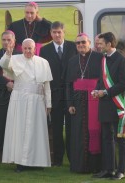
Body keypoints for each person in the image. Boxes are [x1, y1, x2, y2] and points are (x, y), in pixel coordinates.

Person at [0, 38, 53, 172]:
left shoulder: (43, 62)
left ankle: (37, 162)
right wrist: (8, 53)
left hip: (37, 101)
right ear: (22, 48)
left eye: (30, 48)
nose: (28, 51)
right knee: (20, 131)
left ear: (35, 49)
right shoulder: (15, 59)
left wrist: (49, 103)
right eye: (25, 48)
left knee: (37, 131)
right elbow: (4, 65)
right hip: (20, 100)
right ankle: (21, 163)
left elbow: (47, 85)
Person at [92, 32, 125, 180]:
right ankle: (108, 169)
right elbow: (102, 80)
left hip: (117, 104)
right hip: (104, 104)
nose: (98, 46)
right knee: (106, 138)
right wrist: (97, 90)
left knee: (120, 139)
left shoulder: (121, 59)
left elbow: (123, 83)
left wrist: (105, 92)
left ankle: (121, 170)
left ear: (109, 44)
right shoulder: (103, 59)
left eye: (101, 43)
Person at [39, 21, 77, 166]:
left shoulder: (73, 47)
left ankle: (73, 157)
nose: (56, 35)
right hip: (54, 94)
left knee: (71, 128)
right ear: (51, 33)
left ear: (64, 32)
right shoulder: (45, 50)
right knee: (56, 128)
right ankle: (58, 159)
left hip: (71, 95)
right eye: (54, 32)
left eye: (59, 32)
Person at [65, 33, 103, 173]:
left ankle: (96, 166)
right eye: (78, 43)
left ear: (89, 43)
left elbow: (103, 80)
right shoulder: (72, 60)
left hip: (95, 100)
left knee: (96, 132)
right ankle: (80, 167)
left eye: (83, 42)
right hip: (78, 102)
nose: (80, 45)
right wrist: (70, 104)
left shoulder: (99, 58)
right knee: (79, 134)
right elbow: (68, 84)